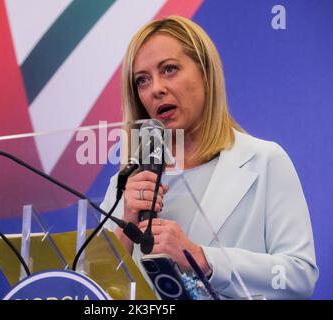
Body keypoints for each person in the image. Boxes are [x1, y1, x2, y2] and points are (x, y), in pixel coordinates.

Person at [100, 15, 318, 299]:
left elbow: (299, 276)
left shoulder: (265, 161)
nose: (155, 89)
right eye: (142, 80)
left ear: (205, 73)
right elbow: (95, 289)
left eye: (169, 69)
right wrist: (125, 231)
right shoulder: (126, 183)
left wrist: (201, 258)